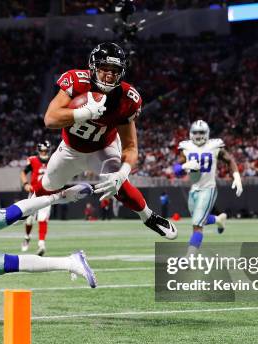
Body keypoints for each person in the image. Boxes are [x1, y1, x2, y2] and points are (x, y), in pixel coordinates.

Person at [38, 42, 177, 240]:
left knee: (116, 182)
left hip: (103, 147)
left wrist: (123, 172)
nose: (109, 75)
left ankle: (149, 217)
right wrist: (83, 113)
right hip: (70, 148)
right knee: (47, 185)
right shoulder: (76, 81)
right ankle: (22, 214)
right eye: (104, 68)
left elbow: (130, 146)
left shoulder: (127, 97)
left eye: (115, 70)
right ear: (93, 67)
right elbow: (50, 119)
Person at [174, 119, 242, 254]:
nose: (198, 136)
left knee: (197, 225)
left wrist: (237, 177)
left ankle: (189, 257)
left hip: (208, 189)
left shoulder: (214, 145)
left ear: (207, 133)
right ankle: (219, 219)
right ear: (190, 133)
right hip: (194, 190)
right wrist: (183, 166)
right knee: (199, 219)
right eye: (196, 132)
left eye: (201, 132)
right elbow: (176, 170)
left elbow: (229, 160)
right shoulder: (186, 147)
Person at [20, 141, 52, 255]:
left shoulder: (53, 160)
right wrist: (25, 184)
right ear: (39, 151)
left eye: (46, 151)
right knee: (29, 219)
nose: (44, 153)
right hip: (34, 193)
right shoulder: (33, 160)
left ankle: (41, 244)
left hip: (47, 193)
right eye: (42, 151)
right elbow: (23, 173)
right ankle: (27, 237)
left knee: (43, 219)